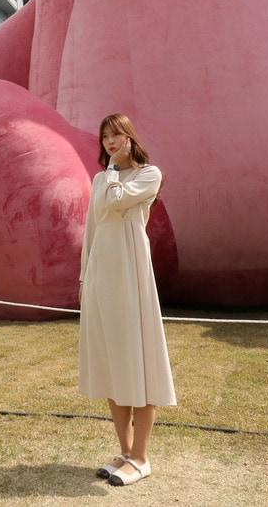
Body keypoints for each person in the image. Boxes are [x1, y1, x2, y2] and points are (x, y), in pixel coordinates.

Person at [78, 113, 175, 487]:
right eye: (105, 137)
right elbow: (92, 229)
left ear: (130, 137)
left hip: (132, 276)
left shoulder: (149, 175)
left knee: (139, 362)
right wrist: (85, 276)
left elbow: (118, 204)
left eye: (116, 134)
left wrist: (116, 170)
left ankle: (141, 457)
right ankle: (124, 450)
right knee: (112, 364)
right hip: (102, 273)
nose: (109, 141)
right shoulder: (100, 179)